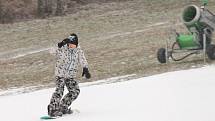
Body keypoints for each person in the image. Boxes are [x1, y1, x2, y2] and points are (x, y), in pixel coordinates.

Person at [47, 33, 91, 117]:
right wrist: (59, 45)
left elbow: (82, 59)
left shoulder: (78, 51)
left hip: (70, 75)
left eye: (72, 44)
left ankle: (63, 106)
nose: (70, 46)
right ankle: (52, 109)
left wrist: (85, 69)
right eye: (69, 44)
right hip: (60, 74)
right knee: (59, 90)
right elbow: (51, 51)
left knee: (75, 91)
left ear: (76, 44)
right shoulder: (63, 48)